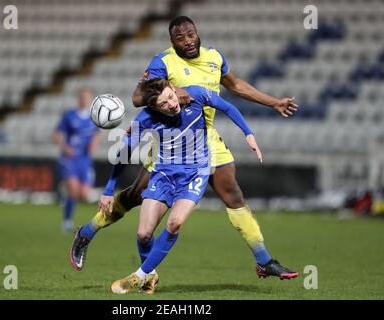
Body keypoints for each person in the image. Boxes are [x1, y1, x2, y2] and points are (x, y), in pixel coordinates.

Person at [74, 16, 299, 287]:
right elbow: (138, 98)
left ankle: (264, 261)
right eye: (180, 38)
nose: (188, 41)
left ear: (197, 32)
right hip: (170, 143)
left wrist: (273, 102)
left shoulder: (215, 57)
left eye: (191, 34)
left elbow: (236, 86)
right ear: (172, 42)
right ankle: (87, 232)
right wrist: (175, 90)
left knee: (233, 194)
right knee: (135, 196)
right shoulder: (163, 62)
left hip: (207, 137)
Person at [72, 78, 262, 293]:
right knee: (144, 234)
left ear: (173, 89)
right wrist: (108, 190)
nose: (172, 104)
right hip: (163, 174)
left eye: (171, 97)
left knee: (175, 223)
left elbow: (227, 106)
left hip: (195, 173)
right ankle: (150, 277)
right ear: (154, 107)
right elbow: (124, 154)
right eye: (164, 104)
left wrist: (249, 134)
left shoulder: (196, 95)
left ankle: (139, 275)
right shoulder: (145, 118)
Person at [52, 88, 101, 233]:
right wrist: (64, 147)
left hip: (85, 160)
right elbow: (55, 134)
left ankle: (67, 199)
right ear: (78, 99)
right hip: (70, 159)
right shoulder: (69, 116)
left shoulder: (93, 118)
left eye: (87, 98)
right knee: (73, 190)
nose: (84, 100)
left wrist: (94, 144)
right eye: (82, 97)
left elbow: (97, 135)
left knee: (84, 195)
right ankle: (67, 222)